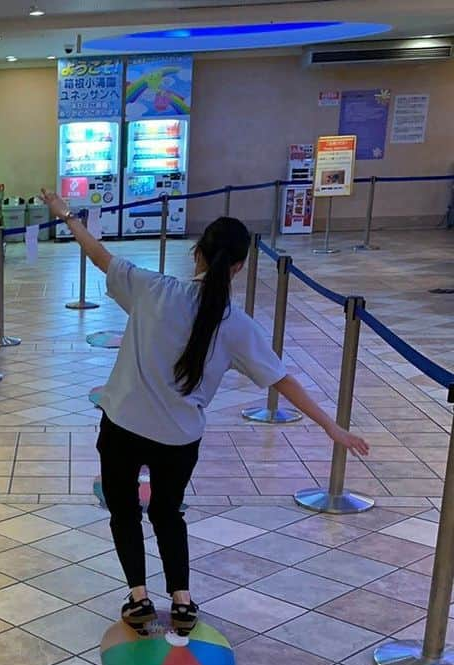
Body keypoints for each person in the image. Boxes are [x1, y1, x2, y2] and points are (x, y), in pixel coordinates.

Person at [41, 191, 369, 635]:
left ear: (196, 253)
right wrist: (330, 425)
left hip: (122, 424)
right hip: (179, 439)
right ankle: (182, 600)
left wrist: (65, 215)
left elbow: (100, 256)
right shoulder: (235, 324)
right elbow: (281, 378)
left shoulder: (153, 289)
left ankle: (139, 598)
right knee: (167, 512)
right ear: (238, 267)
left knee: (124, 511)